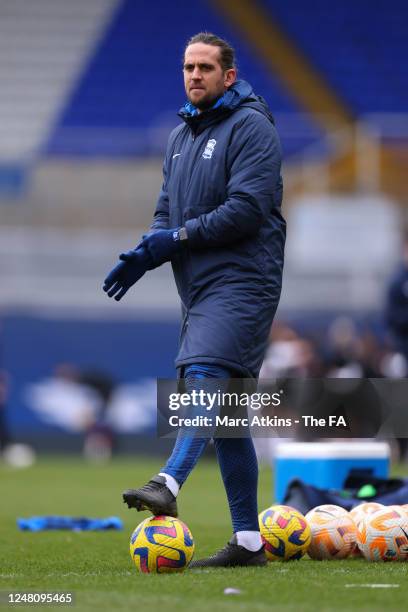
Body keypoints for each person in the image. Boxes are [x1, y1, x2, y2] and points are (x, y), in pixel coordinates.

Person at [103, 32, 286, 567]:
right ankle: (249, 543)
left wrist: (176, 240)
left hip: (245, 280)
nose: (194, 75)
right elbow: (167, 211)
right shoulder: (180, 135)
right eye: (188, 66)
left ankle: (169, 480)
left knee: (204, 369)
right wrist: (148, 251)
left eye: (205, 67)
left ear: (229, 75)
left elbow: (248, 209)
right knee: (228, 418)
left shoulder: (251, 126)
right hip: (199, 286)